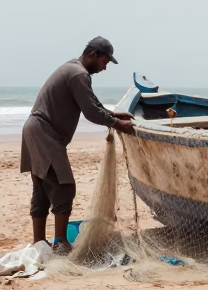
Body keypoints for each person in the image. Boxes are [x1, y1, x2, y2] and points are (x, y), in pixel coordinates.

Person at [20, 37, 135, 253]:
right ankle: (61, 242)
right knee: (64, 186)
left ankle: (39, 243)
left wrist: (113, 113)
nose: (104, 68)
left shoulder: (73, 69)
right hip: (45, 132)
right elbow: (91, 112)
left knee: (43, 188)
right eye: (104, 62)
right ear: (93, 55)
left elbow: (90, 103)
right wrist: (118, 124)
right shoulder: (79, 74)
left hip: (34, 129)